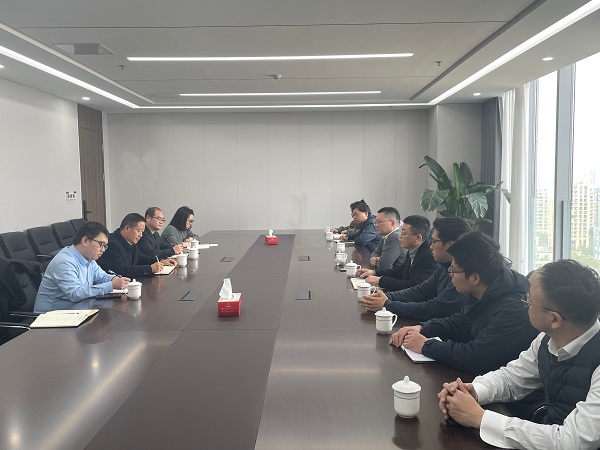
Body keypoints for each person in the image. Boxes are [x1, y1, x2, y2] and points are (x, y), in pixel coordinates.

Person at [438, 260, 600, 450]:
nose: (524, 303)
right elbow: (512, 378)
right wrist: (473, 390)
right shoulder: (547, 339)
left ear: (554, 319)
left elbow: (571, 442)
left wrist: (480, 418)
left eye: (528, 301)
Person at [390, 231, 537, 375]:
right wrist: (422, 328)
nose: (450, 276)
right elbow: (460, 322)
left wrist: (426, 346)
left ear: (475, 278)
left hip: (500, 384)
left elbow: (476, 357)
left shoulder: (514, 308)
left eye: (453, 270)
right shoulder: (486, 288)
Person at [359, 217, 471, 321]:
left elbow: (435, 308)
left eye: (434, 241)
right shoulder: (444, 265)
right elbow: (421, 290)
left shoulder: (463, 274)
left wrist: (387, 304)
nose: (431, 246)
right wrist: (385, 297)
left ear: (450, 245)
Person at [34, 221, 130, 313]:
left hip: (75, 311)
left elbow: (101, 277)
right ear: (85, 241)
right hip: (50, 317)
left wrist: (115, 279)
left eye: (105, 246)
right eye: (101, 244)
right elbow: (75, 294)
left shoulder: (89, 258)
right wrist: (111, 285)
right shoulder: (64, 262)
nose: (103, 250)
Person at [357, 215, 437, 291]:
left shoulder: (428, 257)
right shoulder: (414, 249)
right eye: (400, 232)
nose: (400, 236)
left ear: (418, 238)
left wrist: (380, 281)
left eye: (404, 233)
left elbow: (413, 286)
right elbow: (400, 271)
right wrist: (374, 272)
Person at [98, 213, 175, 279]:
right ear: (127, 228)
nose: (141, 235)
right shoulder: (112, 244)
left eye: (142, 232)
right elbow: (121, 270)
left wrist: (160, 261)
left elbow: (140, 258)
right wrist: (150, 269)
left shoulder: (131, 241)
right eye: (138, 231)